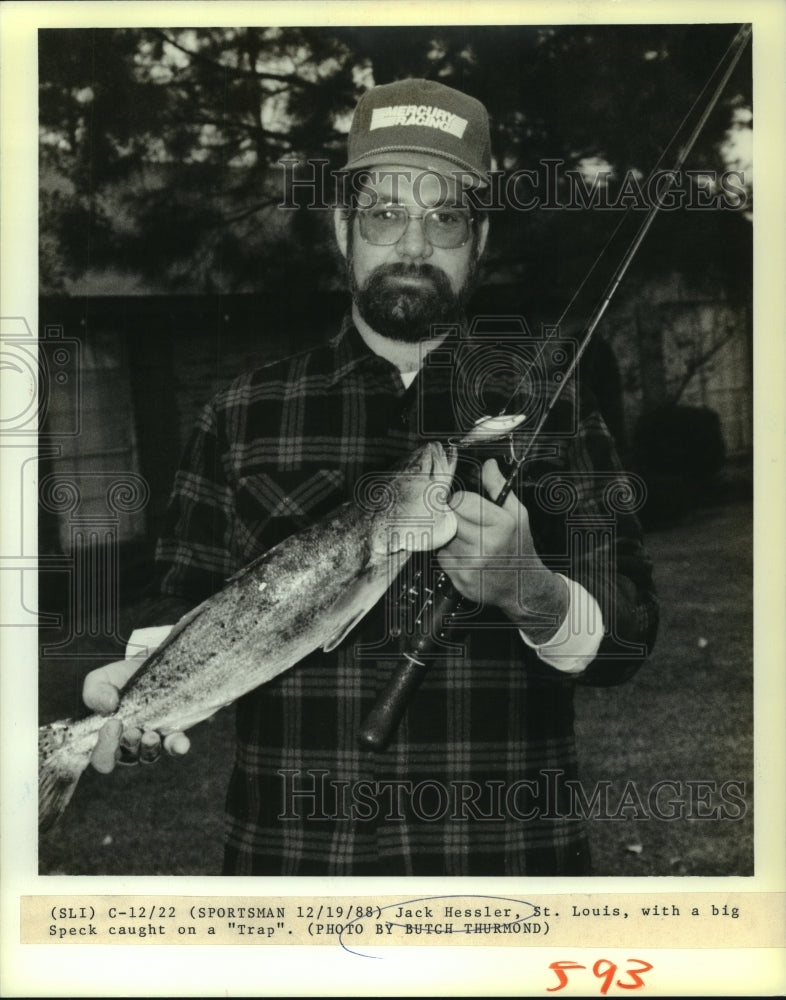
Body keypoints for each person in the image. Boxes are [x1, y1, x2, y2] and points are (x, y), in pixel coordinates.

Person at [83, 78, 658, 876]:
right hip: (292, 875)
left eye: (445, 216)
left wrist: (535, 590)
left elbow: (631, 634)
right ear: (342, 227)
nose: (414, 245)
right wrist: (139, 689)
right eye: (385, 213)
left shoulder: (552, 408)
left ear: (479, 239)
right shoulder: (240, 414)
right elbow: (180, 608)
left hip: (509, 869)